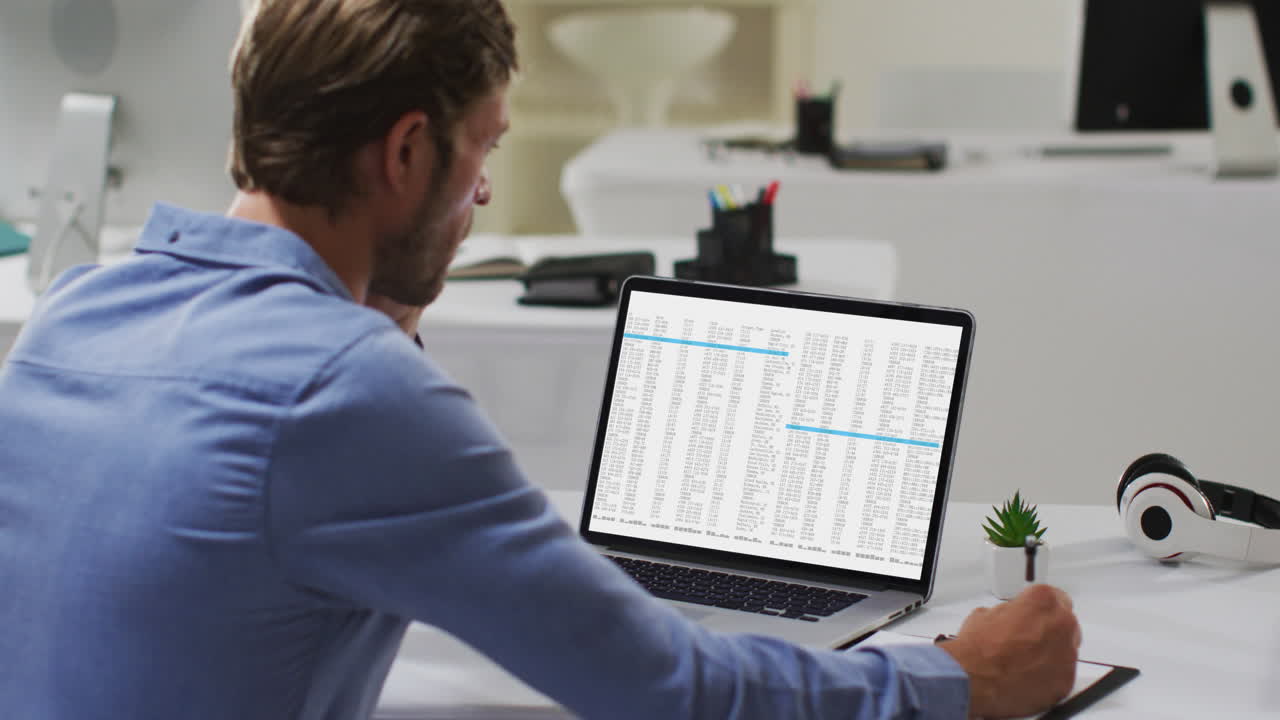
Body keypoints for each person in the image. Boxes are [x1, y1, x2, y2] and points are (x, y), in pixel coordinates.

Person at [0, 1, 1080, 718]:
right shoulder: (346, 390)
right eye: (484, 149)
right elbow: (669, 690)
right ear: (406, 151)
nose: (480, 192)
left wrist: (378, 304)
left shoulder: (74, 313)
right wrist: (956, 679)